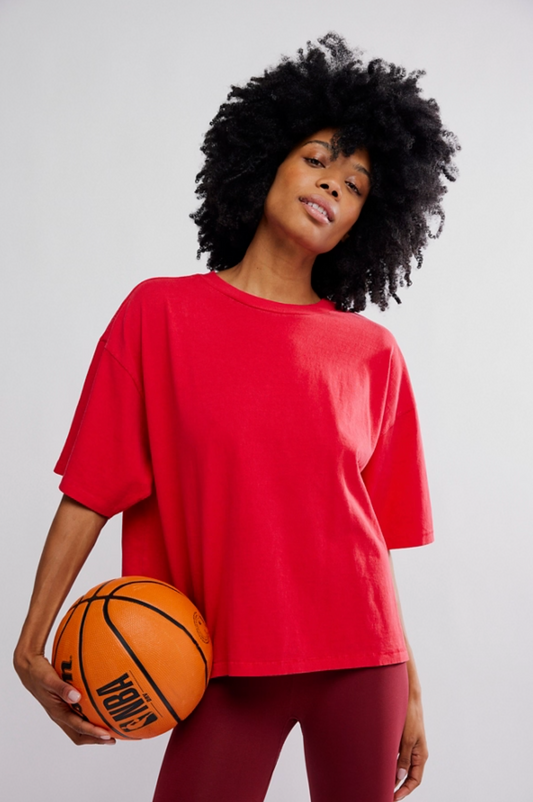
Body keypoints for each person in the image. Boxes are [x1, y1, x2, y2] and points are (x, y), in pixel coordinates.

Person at [14, 31, 459, 802]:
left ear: (368, 220)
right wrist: (30, 640)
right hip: (217, 662)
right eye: (318, 159)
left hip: (362, 664)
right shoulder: (159, 315)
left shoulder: (371, 353)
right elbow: (91, 486)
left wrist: (410, 687)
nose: (331, 187)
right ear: (266, 160)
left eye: (356, 185)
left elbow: (365, 543)